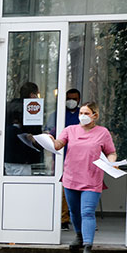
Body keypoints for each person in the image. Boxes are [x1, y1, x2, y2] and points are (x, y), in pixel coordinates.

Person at [52, 102, 117, 253]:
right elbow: (59, 144)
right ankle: (79, 236)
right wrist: (51, 141)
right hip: (71, 177)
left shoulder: (102, 133)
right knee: (74, 211)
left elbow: (111, 152)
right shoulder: (70, 130)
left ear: (95, 115)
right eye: (81, 112)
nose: (82, 115)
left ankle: (88, 247)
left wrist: (112, 163)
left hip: (92, 179)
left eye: (86, 113)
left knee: (87, 212)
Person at [47, 89, 82, 230]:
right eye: (69, 98)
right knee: (64, 189)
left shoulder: (83, 115)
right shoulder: (58, 115)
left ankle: (81, 218)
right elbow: (51, 133)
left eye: (74, 98)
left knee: (82, 188)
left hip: (81, 159)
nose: (72, 101)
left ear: (79, 100)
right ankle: (64, 219)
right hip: (62, 157)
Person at [4, 82, 44, 176]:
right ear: (32, 95)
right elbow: (33, 131)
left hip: (8, 155)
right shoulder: (27, 108)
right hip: (23, 156)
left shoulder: (10, 106)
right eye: (37, 94)